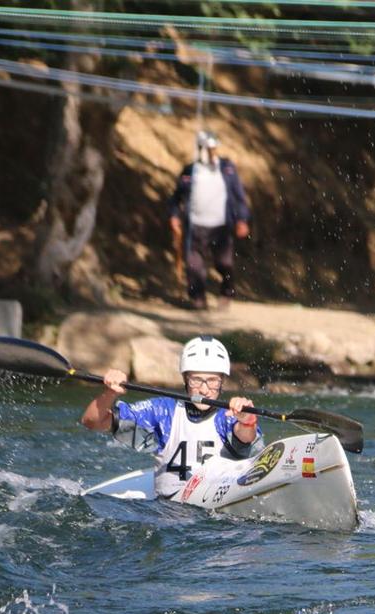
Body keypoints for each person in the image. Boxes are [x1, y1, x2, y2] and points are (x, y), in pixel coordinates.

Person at [79, 336, 263, 498]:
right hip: (169, 511)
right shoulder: (163, 410)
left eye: (212, 381)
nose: (204, 389)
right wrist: (110, 393)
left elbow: (246, 437)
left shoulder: (230, 415)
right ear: (185, 379)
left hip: (219, 511)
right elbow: (92, 422)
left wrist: (247, 419)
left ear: (222, 381)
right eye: (196, 380)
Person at [168, 130, 251, 311]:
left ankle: (227, 292)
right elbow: (176, 197)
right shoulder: (189, 172)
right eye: (209, 149)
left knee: (225, 264)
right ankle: (198, 299)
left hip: (221, 226)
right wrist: (174, 216)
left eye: (215, 149)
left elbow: (239, 197)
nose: (213, 153)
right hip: (196, 227)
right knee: (194, 266)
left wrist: (242, 219)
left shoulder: (227, 169)